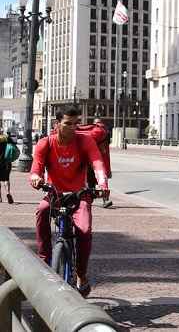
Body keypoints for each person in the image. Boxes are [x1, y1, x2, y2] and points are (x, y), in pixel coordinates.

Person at [30, 105, 109, 298]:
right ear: (57, 124)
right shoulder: (45, 143)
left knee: (84, 229)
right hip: (55, 194)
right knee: (41, 211)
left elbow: (97, 162)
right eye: (68, 123)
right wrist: (35, 178)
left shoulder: (85, 141)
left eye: (76, 124)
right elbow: (36, 168)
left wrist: (102, 183)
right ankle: (45, 259)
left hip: (79, 195)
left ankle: (81, 274)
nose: (73, 128)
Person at [83, 118, 113, 208]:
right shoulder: (105, 132)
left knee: (90, 182)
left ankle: (89, 200)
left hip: (90, 161)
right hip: (100, 160)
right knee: (102, 181)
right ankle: (105, 200)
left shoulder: (92, 132)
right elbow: (106, 149)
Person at [0, 130, 15, 204]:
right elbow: (14, 145)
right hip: (6, 162)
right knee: (6, 178)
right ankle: (8, 192)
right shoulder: (6, 138)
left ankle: (0, 197)